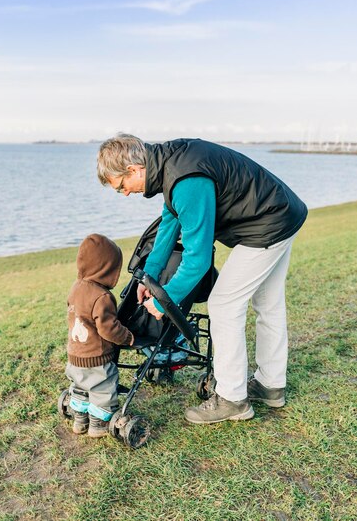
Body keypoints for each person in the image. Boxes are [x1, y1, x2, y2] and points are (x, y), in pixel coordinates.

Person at [97, 134, 307, 424]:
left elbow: (198, 261)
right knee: (267, 304)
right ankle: (270, 386)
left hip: (268, 224)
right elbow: (169, 226)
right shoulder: (169, 165)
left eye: (122, 186)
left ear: (133, 169)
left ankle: (233, 399)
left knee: (223, 304)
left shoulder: (185, 180)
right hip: (280, 214)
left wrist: (165, 299)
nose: (125, 193)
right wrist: (149, 278)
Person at [65, 233, 134, 437]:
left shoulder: (75, 288)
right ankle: (97, 425)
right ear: (106, 269)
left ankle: (80, 421)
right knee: (102, 387)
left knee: (79, 385)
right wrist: (127, 337)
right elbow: (108, 328)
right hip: (97, 356)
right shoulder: (101, 296)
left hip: (75, 355)